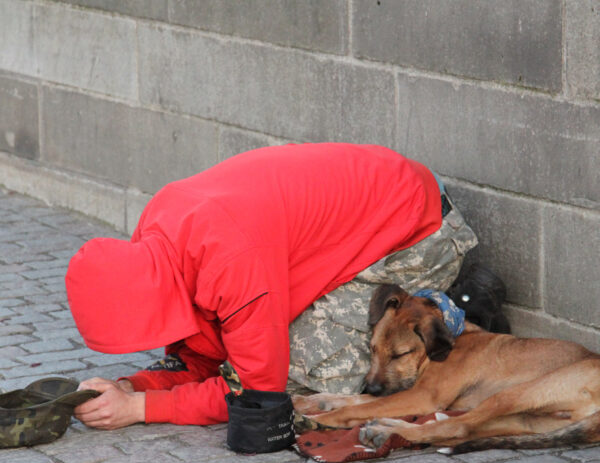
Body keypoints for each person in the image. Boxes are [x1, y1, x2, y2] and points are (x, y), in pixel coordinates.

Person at [65, 143, 476, 430]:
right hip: (368, 220)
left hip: (418, 232)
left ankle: (464, 304)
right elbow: (204, 347)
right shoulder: (158, 240)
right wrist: (130, 386)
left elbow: (258, 388)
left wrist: (140, 408)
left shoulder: (228, 256)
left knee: (310, 380)